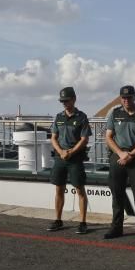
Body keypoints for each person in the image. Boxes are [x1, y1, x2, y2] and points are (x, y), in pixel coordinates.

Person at [104, 85, 135, 243]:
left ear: (134, 97)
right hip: (118, 157)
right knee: (117, 194)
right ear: (121, 98)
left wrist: (131, 154)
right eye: (123, 97)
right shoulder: (115, 113)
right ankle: (116, 227)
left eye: (129, 97)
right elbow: (109, 137)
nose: (126, 100)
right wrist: (121, 153)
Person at [46, 86, 91, 234]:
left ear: (74, 99)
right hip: (60, 158)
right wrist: (61, 152)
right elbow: (53, 137)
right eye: (62, 101)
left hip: (75, 158)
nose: (64, 103)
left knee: (80, 190)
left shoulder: (81, 117)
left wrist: (70, 152)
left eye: (67, 100)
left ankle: (83, 222)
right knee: (59, 189)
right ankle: (58, 220)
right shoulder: (58, 117)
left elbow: (84, 139)